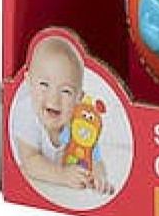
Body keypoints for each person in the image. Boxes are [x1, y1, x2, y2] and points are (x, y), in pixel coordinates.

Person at [11, 35, 112, 193]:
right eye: (44, 84)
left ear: (79, 98)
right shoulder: (26, 114)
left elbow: (93, 155)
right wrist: (62, 175)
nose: (54, 99)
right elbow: (29, 161)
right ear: (28, 82)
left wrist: (99, 176)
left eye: (66, 91)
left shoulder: (78, 121)